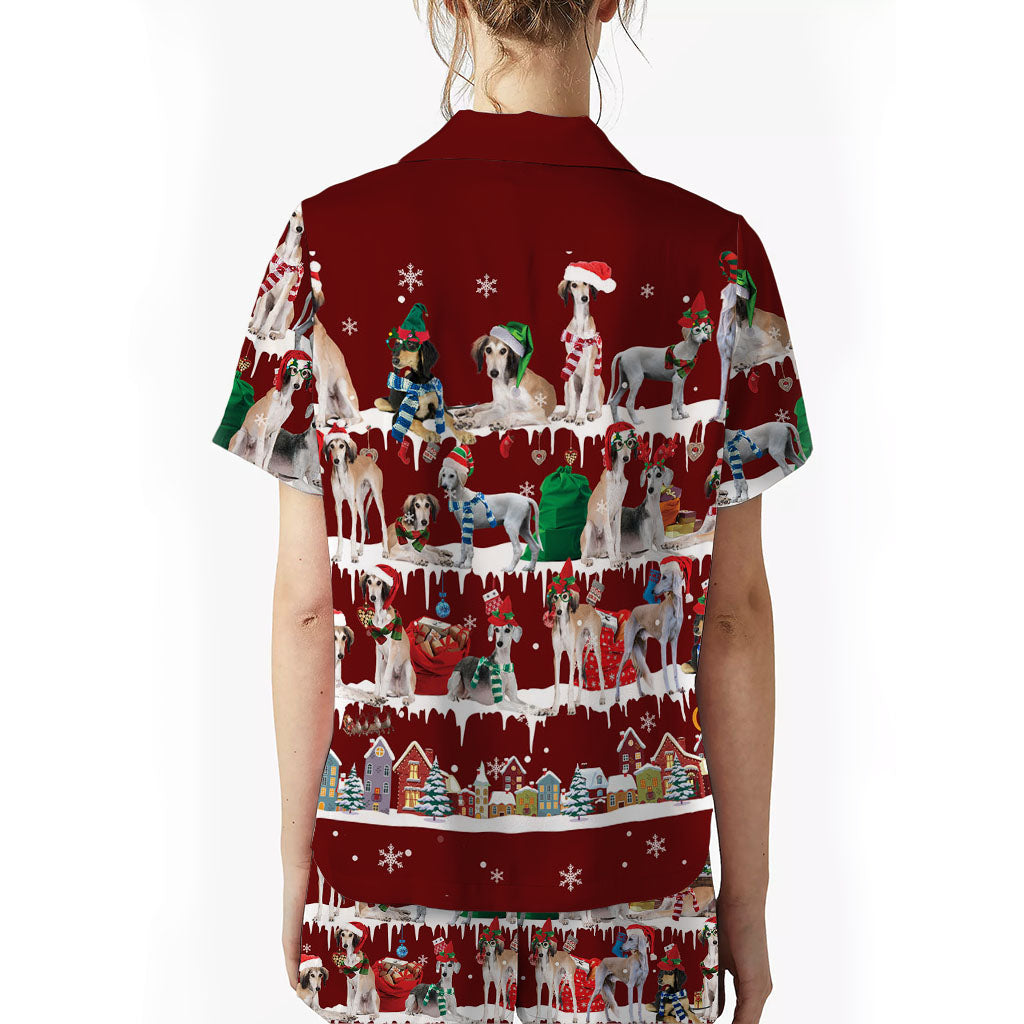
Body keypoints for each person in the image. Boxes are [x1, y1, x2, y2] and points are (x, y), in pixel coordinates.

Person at [212, 3, 812, 1022]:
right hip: (636, 907)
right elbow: (734, 617)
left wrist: (298, 862)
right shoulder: (720, 262)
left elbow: (308, 606)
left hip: (392, 903)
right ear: (611, 2)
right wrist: (746, 909)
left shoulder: (323, 244)